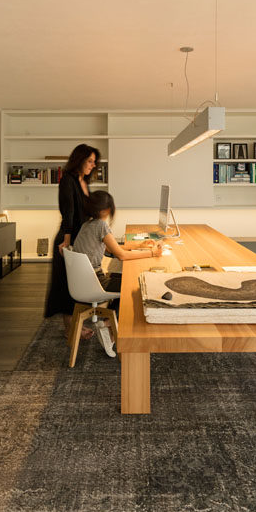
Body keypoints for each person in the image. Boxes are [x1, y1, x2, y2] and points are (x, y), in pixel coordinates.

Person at [73, 189, 162, 356]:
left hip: (82, 281)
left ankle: (109, 322)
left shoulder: (87, 225)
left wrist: (140, 246)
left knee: (120, 278)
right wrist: (152, 253)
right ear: (106, 210)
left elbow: (112, 249)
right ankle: (109, 330)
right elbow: (121, 255)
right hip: (95, 281)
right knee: (135, 287)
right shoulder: (101, 225)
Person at [44, 143, 100, 339]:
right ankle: (71, 330)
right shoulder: (67, 180)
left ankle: (75, 325)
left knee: (76, 284)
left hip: (80, 237)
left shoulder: (83, 181)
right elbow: (67, 211)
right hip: (68, 238)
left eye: (94, 162)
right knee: (66, 285)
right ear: (80, 159)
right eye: (90, 161)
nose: (93, 165)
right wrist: (67, 241)